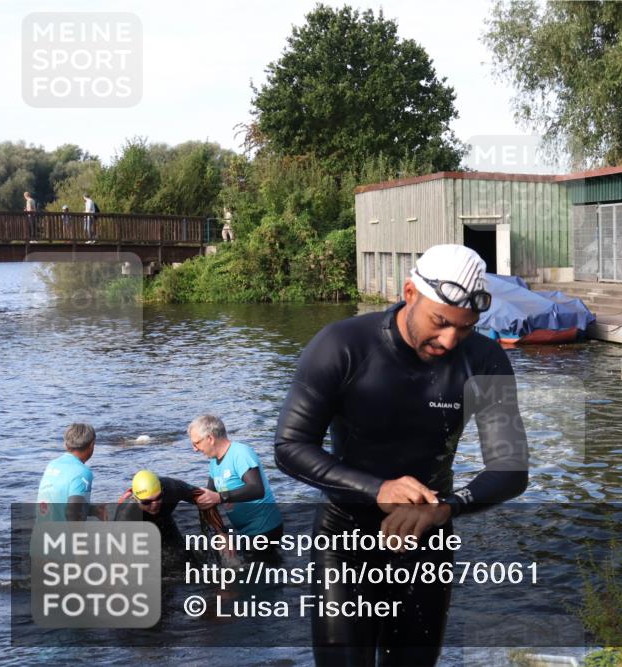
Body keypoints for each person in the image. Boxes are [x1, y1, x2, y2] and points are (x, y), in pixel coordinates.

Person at [274, 244, 529, 666]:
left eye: (464, 328)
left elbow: (511, 468)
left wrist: (445, 509)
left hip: (428, 540)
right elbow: (290, 447)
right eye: (440, 322)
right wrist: (378, 489)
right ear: (410, 292)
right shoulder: (343, 345)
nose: (449, 340)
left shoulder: (484, 359)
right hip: (346, 539)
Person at [189, 415, 283, 547]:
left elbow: (257, 489)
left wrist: (219, 497)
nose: (195, 449)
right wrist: (222, 533)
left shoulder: (240, 453)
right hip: (245, 532)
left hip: (265, 529)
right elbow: (210, 500)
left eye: (196, 443)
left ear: (210, 438)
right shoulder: (214, 462)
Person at [36, 423, 104, 521]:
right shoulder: (82, 472)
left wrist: (93, 510)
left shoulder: (52, 465)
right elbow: (74, 513)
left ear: (66, 444)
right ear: (92, 445)